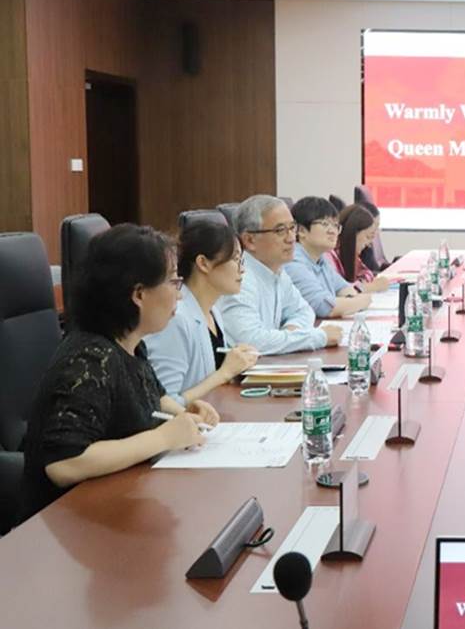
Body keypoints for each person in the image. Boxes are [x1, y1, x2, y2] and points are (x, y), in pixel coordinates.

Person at [21, 225, 219, 519]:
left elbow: (154, 397)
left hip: (120, 502)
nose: (179, 296)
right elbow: (64, 464)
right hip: (68, 522)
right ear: (139, 294)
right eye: (173, 282)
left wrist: (184, 414)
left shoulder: (131, 343)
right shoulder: (90, 358)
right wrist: (164, 438)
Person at [144, 221, 259, 405]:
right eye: (235, 259)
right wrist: (224, 373)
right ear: (203, 263)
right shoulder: (175, 318)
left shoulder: (213, 311)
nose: (242, 269)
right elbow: (163, 405)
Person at [217, 195, 342, 354]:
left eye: (292, 228)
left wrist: (289, 336)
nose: (291, 238)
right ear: (250, 240)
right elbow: (250, 341)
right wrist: (319, 337)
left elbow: (304, 311)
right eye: (280, 230)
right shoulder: (240, 278)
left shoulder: (276, 269)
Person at [285, 197, 378, 318]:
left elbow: (345, 289)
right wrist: (361, 302)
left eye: (335, 225)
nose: (333, 231)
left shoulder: (321, 259)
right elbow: (324, 307)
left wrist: (350, 301)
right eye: (325, 224)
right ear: (301, 230)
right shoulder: (293, 262)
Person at [330, 202, 392, 292]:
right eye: (367, 237)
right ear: (353, 234)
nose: (369, 244)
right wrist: (371, 287)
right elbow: (341, 290)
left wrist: (362, 283)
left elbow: (367, 273)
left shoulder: (351, 254)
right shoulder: (330, 256)